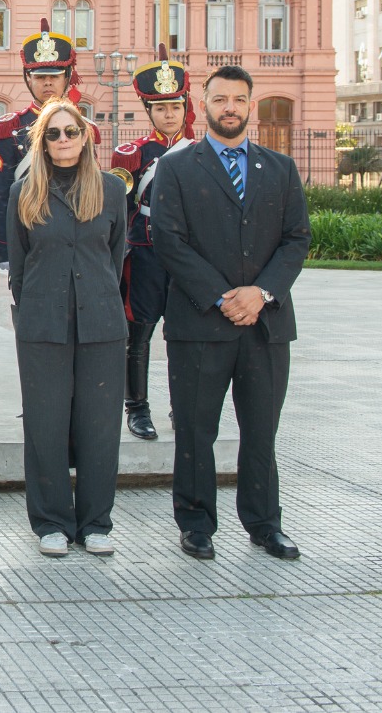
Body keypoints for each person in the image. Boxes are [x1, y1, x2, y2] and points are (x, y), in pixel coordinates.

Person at [151, 65, 310, 562]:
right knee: (196, 430)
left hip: (265, 325)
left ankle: (265, 524)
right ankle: (196, 524)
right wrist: (223, 297)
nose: (230, 108)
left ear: (250, 105)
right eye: (220, 99)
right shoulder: (178, 167)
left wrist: (260, 293)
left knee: (261, 431)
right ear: (205, 104)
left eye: (239, 99)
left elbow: (296, 239)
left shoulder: (280, 168)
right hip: (200, 323)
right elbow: (168, 241)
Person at [7, 99, 129, 557]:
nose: (63, 140)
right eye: (53, 133)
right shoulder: (24, 193)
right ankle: (51, 522)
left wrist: (94, 295)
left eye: (71, 132)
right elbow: (19, 265)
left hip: (101, 323)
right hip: (43, 325)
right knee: (46, 425)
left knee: (100, 426)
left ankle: (96, 522)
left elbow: (114, 256)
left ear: (85, 137)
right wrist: (37, 306)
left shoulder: (111, 190)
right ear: (42, 142)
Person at [108, 46, 194, 441]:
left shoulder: (200, 152)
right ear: (149, 110)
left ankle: (183, 406)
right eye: (160, 108)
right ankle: (137, 409)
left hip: (188, 257)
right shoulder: (133, 154)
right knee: (138, 333)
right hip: (145, 253)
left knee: (183, 335)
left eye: (175, 106)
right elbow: (119, 209)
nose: (169, 114)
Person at [0, 19, 97, 268]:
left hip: (76, 237)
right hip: (29, 236)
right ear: (28, 79)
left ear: (67, 77)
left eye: (54, 76)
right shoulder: (10, 130)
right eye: (40, 76)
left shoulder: (85, 128)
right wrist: (3, 249)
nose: (48, 82)